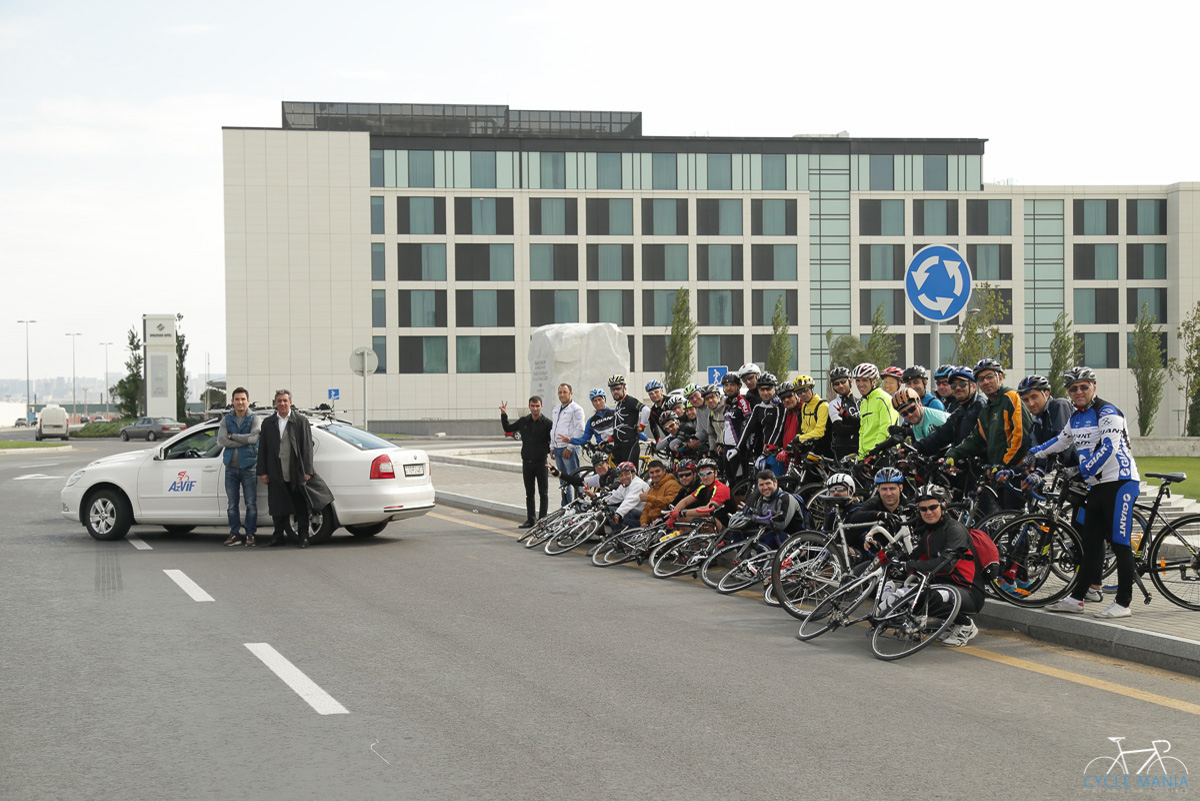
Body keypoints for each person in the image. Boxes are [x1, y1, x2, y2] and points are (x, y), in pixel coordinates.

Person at [1032, 367, 1141, 619]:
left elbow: (1109, 449)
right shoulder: (1076, 417)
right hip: (1098, 487)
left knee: (1121, 543)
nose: (1078, 391)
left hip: (1121, 482)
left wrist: (1080, 471)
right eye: (1073, 388)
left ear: (1093, 386)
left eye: (1083, 386)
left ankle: (1123, 603)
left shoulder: (1107, 411)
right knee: (1090, 545)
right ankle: (1076, 599)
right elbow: (1061, 440)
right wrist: (1034, 453)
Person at [903, 484, 984, 647]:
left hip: (969, 591)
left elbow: (946, 565)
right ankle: (952, 623)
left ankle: (966, 625)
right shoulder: (929, 531)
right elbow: (913, 556)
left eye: (933, 507)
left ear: (943, 505)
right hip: (946, 586)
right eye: (923, 509)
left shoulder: (954, 530)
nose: (928, 512)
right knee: (910, 593)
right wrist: (891, 557)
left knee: (925, 597)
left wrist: (910, 565)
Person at [945, 359, 1030, 511]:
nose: (986, 382)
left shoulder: (1011, 398)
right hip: (999, 476)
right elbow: (976, 438)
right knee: (1002, 522)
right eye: (981, 379)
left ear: (1000, 378)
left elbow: (1021, 437)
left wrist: (1004, 465)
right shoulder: (986, 409)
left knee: (1014, 523)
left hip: (1015, 474)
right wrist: (954, 454)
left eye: (990, 376)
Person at [257, 389, 315, 548]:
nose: (282, 403)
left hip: (295, 472)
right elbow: (263, 449)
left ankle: (303, 537)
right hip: (275, 471)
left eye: (285, 400)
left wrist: (307, 470)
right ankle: (278, 537)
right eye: (279, 401)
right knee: (277, 506)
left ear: (290, 402)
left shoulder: (300, 421)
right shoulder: (268, 423)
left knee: (300, 506)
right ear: (275, 403)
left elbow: (307, 447)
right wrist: (263, 471)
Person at [500, 396, 554, 528]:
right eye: (532, 406)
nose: (535, 408)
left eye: (537, 406)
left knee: (543, 493)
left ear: (541, 406)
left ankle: (542, 521)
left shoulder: (547, 423)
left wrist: (548, 451)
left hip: (541, 462)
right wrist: (503, 414)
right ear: (529, 407)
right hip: (527, 463)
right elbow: (508, 428)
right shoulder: (524, 421)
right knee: (529, 493)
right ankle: (531, 520)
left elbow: (552, 440)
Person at [217, 387, 261, 547]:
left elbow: (254, 438)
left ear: (248, 401)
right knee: (232, 505)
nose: (240, 402)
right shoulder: (226, 420)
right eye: (237, 399)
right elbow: (221, 440)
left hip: (249, 467)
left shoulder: (254, 418)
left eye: (243, 399)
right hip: (231, 468)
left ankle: (250, 535)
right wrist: (243, 439)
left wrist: (233, 436)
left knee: (251, 503)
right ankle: (235, 534)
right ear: (232, 401)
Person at [913, 365, 986, 457]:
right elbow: (940, 435)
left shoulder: (981, 406)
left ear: (974, 386)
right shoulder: (959, 411)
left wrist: (955, 454)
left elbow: (979, 439)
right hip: (961, 464)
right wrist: (915, 448)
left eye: (962, 384)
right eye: (953, 385)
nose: (958, 388)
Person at [852, 467, 910, 558]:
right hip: (877, 556)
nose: (888, 493)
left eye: (892, 488)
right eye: (884, 489)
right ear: (878, 489)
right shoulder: (875, 501)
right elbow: (855, 516)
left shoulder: (908, 505)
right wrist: (879, 514)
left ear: (901, 488)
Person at [549, 384, 586, 507]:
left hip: (569, 449)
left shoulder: (576, 409)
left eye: (565, 392)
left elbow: (580, 430)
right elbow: (554, 429)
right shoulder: (556, 409)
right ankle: (566, 506)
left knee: (574, 479)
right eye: (560, 392)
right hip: (558, 448)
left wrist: (570, 447)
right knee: (563, 480)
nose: (562, 395)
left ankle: (579, 506)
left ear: (571, 393)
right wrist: (552, 447)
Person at [671, 458, 733, 529]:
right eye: (701, 474)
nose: (705, 477)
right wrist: (673, 515)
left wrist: (682, 513)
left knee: (706, 520)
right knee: (680, 520)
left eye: (708, 473)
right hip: (713, 521)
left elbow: (707, 510)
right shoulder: (702, 487)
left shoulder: (721, 488)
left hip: (726, 528)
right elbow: (685, 501)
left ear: (715, 473)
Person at [854, 363, 898, 459]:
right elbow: (862, 432)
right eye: (857, 380)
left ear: (874, 381)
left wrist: (876, 451)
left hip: (883, 456)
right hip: (867, 457)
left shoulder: (884, 398)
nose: (860, 384)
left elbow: (886, 429)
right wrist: (861, 457)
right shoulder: (863, 403)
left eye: (864, 380)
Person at [608, 375, 648, 464]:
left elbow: (646, 410)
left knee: (629, 473)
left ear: (624, 388)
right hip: (619, 446)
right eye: (613, 390)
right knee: (620, 474)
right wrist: (611, 438)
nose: (615, 392)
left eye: (618, 388)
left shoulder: (630, 401)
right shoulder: (619, 404)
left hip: (630, 444)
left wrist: (642, 426)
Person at [792, 374, 833, 458]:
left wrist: (800, 439)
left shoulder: (823, 406)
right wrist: (796, 439)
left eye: (806, 389)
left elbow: (819, 432)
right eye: (799, 392)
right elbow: (804, 429)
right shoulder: (804, 406)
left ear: (811, 388)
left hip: (824, 451)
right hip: (809, 450)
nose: (803, 394)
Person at [606, 461, 650, 533]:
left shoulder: (638, 484)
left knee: (615, 512)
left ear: (633, 474)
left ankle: (620, 535)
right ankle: (618, 534)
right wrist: (599, 499)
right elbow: (615, 496)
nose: (624, 477)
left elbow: (629, 501)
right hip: (635, 511)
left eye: (626, 474)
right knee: (608, 510)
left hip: (644, 515)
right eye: (621, 475)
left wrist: (618, 514)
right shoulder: (625, 485)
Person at [827, 366, 860, 462]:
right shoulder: (834, 404)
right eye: (836, 384)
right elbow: (840, 429)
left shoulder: (862, 401)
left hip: (861, 448)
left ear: (850, 381)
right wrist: (862, 427)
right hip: (843, 449)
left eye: (843, 382)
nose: (840, 386)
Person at [640, 460, 682, 527]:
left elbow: (671, 502)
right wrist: (643, 522)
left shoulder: (672, 484)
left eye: (657, 471)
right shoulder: (652, 488)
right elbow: (646, 509)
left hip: (665, 523)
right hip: (651, 524)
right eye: (652, 472)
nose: (655, 475)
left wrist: (649, 498)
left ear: (664, 471)